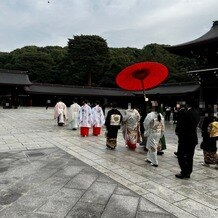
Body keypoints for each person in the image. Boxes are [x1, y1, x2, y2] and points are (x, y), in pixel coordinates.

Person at [175, 100, 200, 179]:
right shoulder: (196, 113)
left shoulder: (187, 113)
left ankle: (184, 171)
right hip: (193, 138)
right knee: (190, 156)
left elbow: (182, 126)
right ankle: (188, 172)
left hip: (185, 138)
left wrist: (179, 134)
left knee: (181, 155)